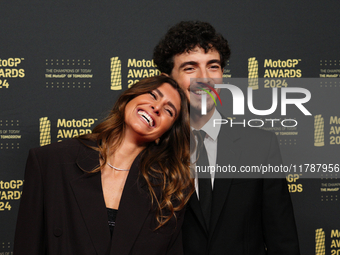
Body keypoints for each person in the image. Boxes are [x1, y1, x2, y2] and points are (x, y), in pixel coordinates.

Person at [153, 21, 300, 254]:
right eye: (190, 68)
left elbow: (282, 240)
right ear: (166, 81)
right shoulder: (153, 149)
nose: (205, 78)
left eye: (213, 66)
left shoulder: (260, 145)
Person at [13, 76, 193, 255]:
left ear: (166, 133)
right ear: (130, 98)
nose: (157, 107)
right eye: (153, 95)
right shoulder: (50, 162)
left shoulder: (170, 192)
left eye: (169, 111)